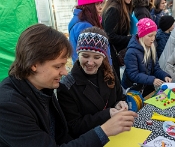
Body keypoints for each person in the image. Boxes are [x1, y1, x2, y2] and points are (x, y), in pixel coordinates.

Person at [0, 24, 138, 147]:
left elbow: (61, 134)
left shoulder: (43, 88)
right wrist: (105, 130)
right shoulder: (8, 106)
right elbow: (72, 127)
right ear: (34, 64)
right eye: (58, 66)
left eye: (96, 57)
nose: (65, 72)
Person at [57, 26, 129, 138]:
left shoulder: (109, 71)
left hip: (118, 135)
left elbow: (120, 96)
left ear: (103, 57)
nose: (90, 63)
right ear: (78, 54)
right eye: (85, 56)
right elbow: (74, 126)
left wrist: (120, 103)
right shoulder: (67, 86)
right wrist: (107, 114)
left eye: (96, 57)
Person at [122, 18, 172, 97]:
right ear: (142, 35)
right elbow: (133, 74)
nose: (153, 39)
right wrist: (152, 80)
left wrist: (165, 75)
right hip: (133, 90)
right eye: (150, 35)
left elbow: (156, 68)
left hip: (145, 87)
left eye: (154, 35)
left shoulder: (151, 47)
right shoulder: (131, 52)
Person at [102, 0, 133, 80]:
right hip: (111, 54)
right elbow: (110, 36)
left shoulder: (120, 7)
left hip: (114, 53)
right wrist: (131, 38)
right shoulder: (114, 9)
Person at [68, 0, 104, 64]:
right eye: (97, 4)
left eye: (101, 4)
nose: (101, 8)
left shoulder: (78, 21)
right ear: (88, 6)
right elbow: (94, 55)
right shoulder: (85, 26)